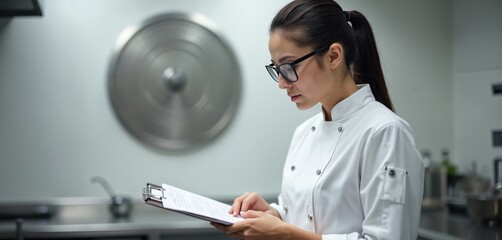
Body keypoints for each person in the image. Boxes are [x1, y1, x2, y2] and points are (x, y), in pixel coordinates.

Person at [212, 0, 424, 239]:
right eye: (277, 68)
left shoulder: (385, 133)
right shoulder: (304, 132)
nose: (282, 83)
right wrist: (274, 213)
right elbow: (305, 216)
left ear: (333, 56)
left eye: (289, 66)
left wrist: (284, 234)